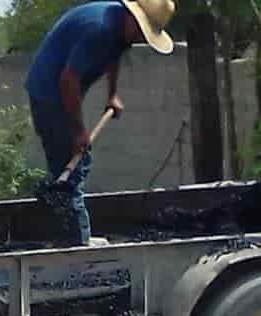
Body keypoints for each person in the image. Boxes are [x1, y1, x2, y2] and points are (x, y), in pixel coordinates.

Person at [25, 0, 176, 246]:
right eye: (140, 31)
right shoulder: (100, 29)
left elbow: (113, 55)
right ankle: (77, 245)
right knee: (72, 167)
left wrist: (112, 94)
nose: (139, 38)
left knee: (72, 165)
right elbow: (68, 81)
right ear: (132, 17)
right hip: (49, 94)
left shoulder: (119, 30)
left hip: (62, 88)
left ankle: (71, 237)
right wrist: (78, 131)